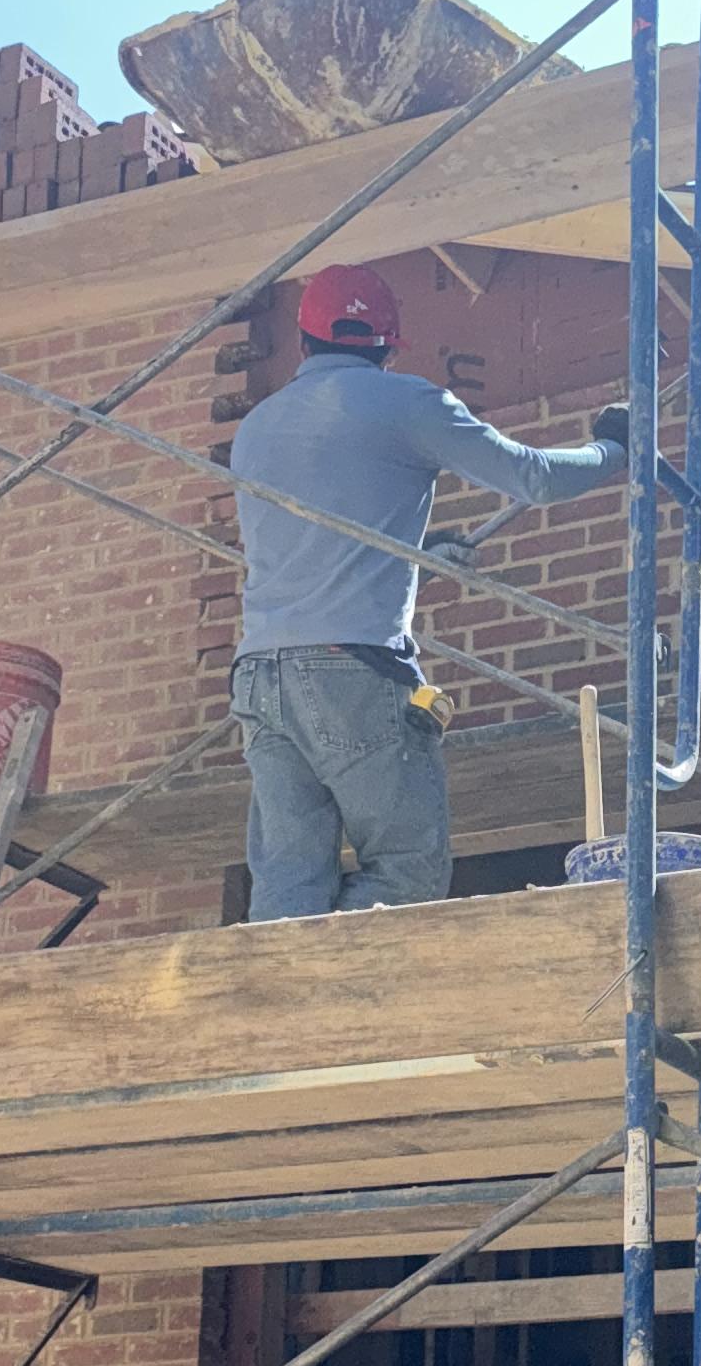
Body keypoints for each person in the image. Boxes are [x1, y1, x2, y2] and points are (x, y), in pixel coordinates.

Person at [228, 261, 629, 920]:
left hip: (260, 675)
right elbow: (533, 479)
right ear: (386, 347)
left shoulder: (256, 429)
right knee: (407, 867)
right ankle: (340, 976)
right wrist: (614, 451)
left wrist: (415, 551)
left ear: (303, 342)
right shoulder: (408, 403)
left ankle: (290, 1010)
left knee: (289, 880)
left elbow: (314, 541)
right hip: (350, 668)